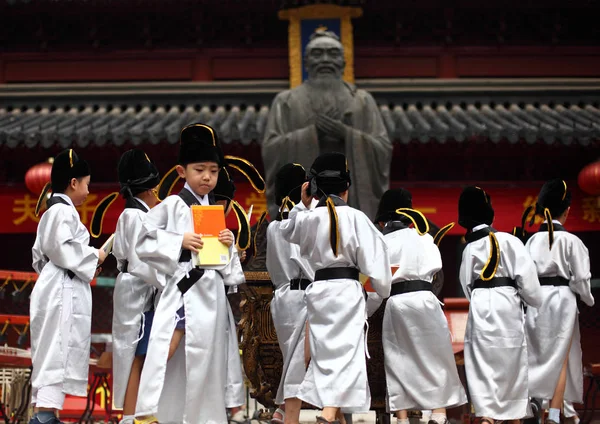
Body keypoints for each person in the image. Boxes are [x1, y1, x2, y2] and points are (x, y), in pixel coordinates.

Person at [130, 124, 246, 424]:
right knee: (170, 347)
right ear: (182, 171)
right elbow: (141, 241)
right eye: (199, 170)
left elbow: (226, 268)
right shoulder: (171, 205)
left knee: (208, 356)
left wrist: (228, 246)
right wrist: (177, 241)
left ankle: (202, 417)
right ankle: (150, 410)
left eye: (213, 171)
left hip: (211, 292)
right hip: (185, 285)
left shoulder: (213, 211)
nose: (207, 177)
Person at [279, 152, 392, 424]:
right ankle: (329, 415)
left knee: (325, 355)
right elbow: (377, 264)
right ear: (347, 188)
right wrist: (381, 288)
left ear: (314, 187)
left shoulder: (308, 218)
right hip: (346, 291)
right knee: (346, 355)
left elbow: (287, 230)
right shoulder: (356, 218)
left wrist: (302, 204)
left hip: (319, 291)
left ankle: (335, 417)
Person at [262, 30, 392, 220]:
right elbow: (270, 149)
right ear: (306, 62)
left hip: (352, 203)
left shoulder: (362, 101)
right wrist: (311, 134)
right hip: (305, 210)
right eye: (317, 54)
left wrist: (346, 134)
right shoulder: (286, 101)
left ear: (343, 62)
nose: (325, 60)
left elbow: (383, 148)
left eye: (332, 54)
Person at [374, 188, 467, 424]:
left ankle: (403, 418)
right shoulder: (425, 238)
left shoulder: (381, 242)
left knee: (397, 359)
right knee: (436, 356)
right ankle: (439, 413)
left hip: (396, 302)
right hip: (427, 300)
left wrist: (364, 311)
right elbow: (435, 268)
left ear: (384, 220)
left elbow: (376, 284)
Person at [30, 149, 106, 424]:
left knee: (54, 346)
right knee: (56, 347)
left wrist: (81, 263)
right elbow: (60, 249)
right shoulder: (61, 211)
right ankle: (45, 416)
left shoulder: (55, 212)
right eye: (86, 183)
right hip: (62, 289)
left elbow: (41, 256)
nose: (88, 191)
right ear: (73, 182)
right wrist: (93, 256)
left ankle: (45, 413)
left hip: (57, 283)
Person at [458, 186, 542, 424]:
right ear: (490, 215)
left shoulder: (470, 247)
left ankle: (487, 416)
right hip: (507, 302)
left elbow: (466, 285)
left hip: (480, 302)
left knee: (481, 359)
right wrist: (531, 300)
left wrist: (480, 297)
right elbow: (530, 284)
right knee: (512, 358)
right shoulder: (510, 241)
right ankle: (513, 415)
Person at [89, 149, 162, 424]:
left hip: (133, 284)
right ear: (149, 187)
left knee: (135, 352)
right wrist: (173, 280)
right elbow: (144, 262)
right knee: (137, 353)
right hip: (139, 286)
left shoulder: (131, 215)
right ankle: (133, 415)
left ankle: (134, 413)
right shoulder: (137, 217)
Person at [524, 179, 594, 424]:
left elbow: (524, 277)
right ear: (567, 211)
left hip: (536, 300)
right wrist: (588, 299)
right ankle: (553, 415)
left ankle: (536, 405)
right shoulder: (572, 242)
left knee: (537, 355)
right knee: (560, 359)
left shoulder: (531, 242)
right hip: (563, 301)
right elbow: (582, 280)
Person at [212, 158, 265, 423]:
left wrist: (234, 253)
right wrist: (234, 255)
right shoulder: (210, 218)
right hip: (207, 297)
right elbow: (224, 271)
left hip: (210, 297)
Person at [266, 163, 316, 424]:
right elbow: (310, 265)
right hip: (304, 295)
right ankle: (289, 416)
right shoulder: (301, 224)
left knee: (294, 357)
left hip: (281, 296)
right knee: (299, 359)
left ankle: (283, 409)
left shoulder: (273, 227)